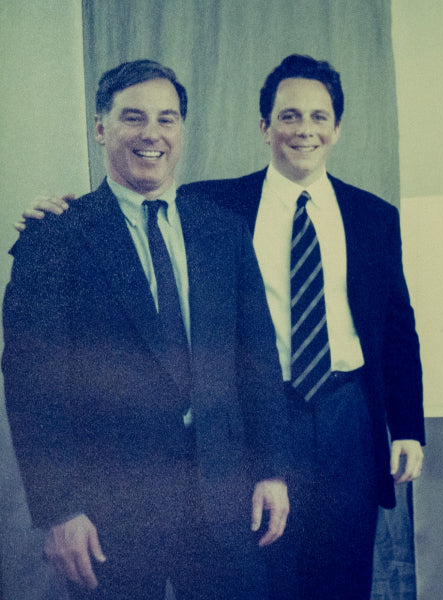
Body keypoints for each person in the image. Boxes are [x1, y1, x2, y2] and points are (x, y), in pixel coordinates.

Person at [3, 60, 290, 599]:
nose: (151, 134)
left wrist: (271, 469)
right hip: (108, 512)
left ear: (182, 129)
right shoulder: (54, 239)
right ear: (100, 128)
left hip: (224, 497)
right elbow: (31, 388)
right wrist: (58, 510)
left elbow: (256, 359)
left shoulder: (222, 231)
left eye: (167, 119)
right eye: (132, 118)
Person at [182, 54, 425, 600]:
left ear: (337, 129)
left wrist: (407, 426)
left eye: (319, 117)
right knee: (261, 576)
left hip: (348, 419)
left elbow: (397, 327)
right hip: (255, 418)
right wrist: (64, 212)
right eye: (289, 116)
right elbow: (135, 211)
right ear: (264, 126)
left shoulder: (374, 217)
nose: (304, 130)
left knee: (341, 580)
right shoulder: (210, 206)